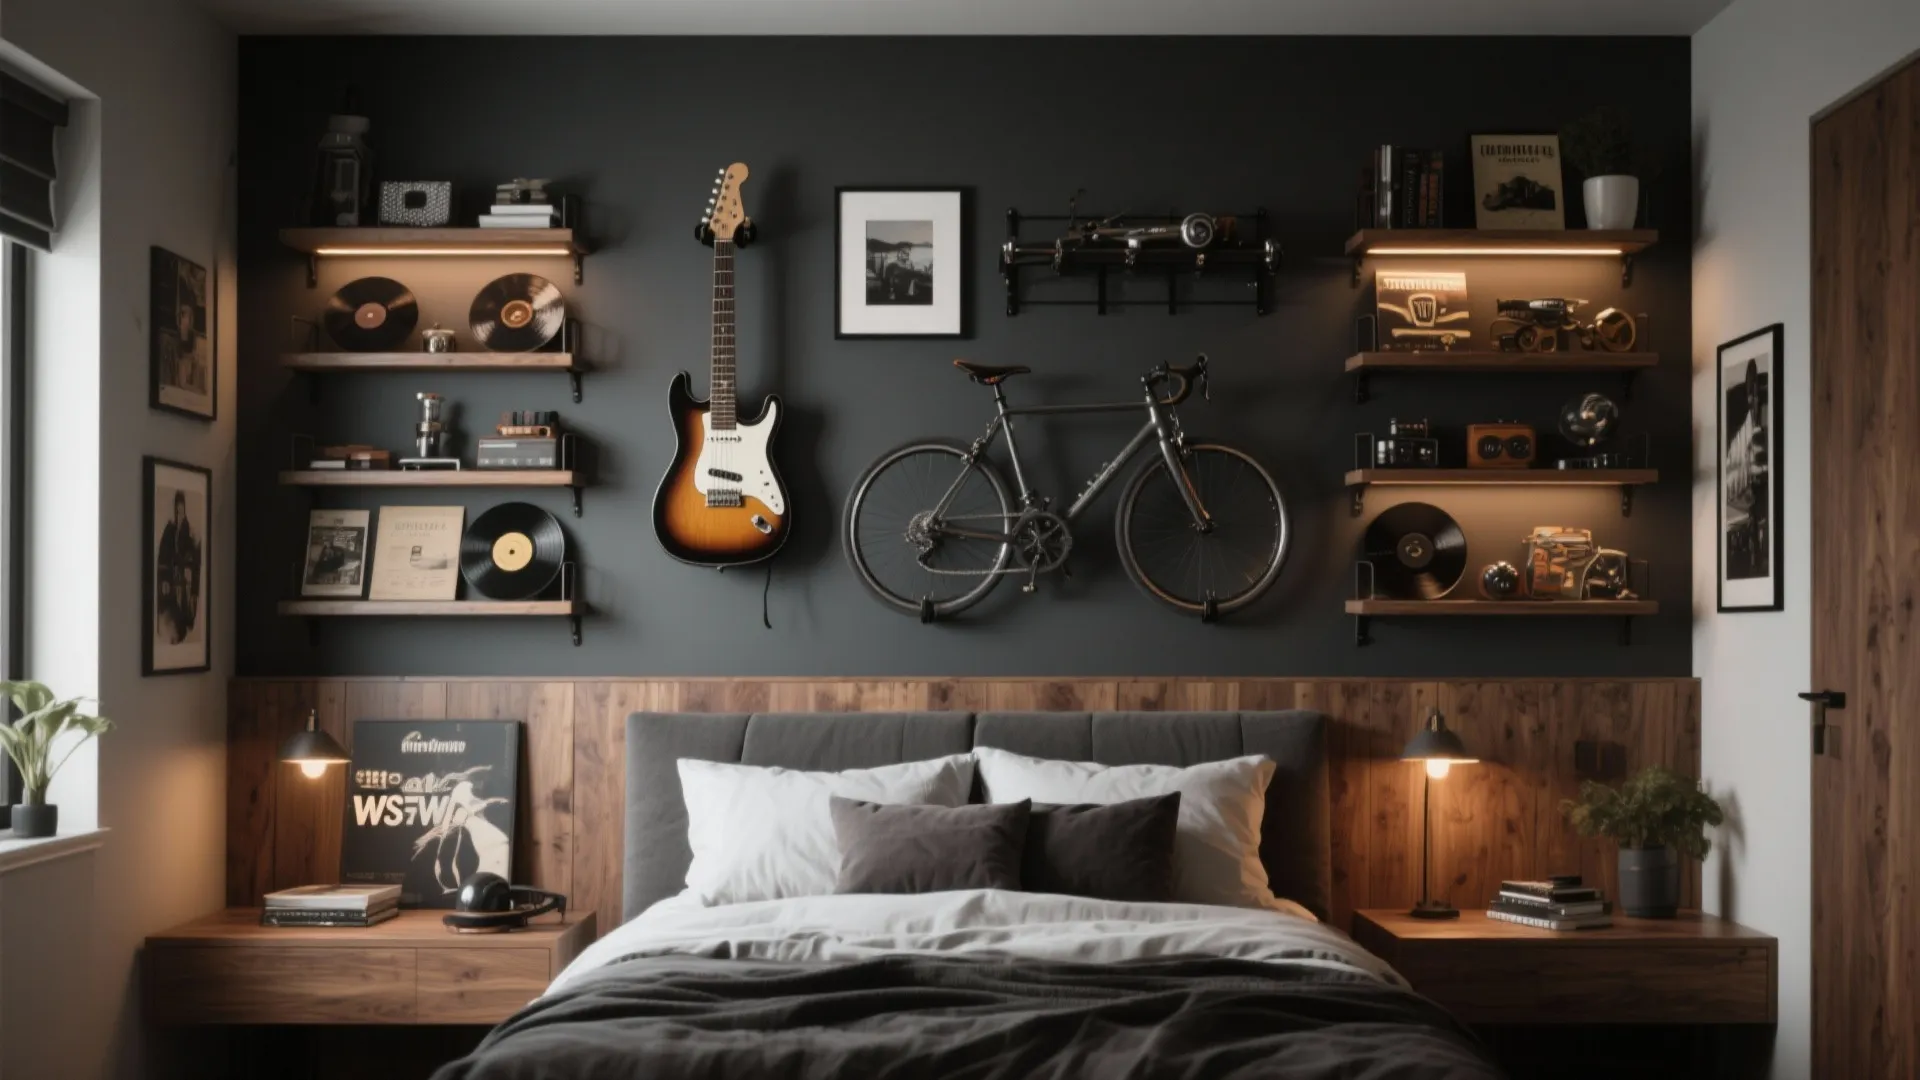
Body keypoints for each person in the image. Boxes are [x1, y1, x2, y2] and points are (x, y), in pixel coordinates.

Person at [156, 491, 201, 642]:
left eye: (181, 510)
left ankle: (185, 621)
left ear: (184, 510)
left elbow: (191, 554)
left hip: (183, 574)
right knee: (177, 596)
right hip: (175, 575)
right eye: (177, 510)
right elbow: (165, 555)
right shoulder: (170, 529)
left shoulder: (188, 530)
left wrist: (186, 561)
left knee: (184, 597)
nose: (179, 513)